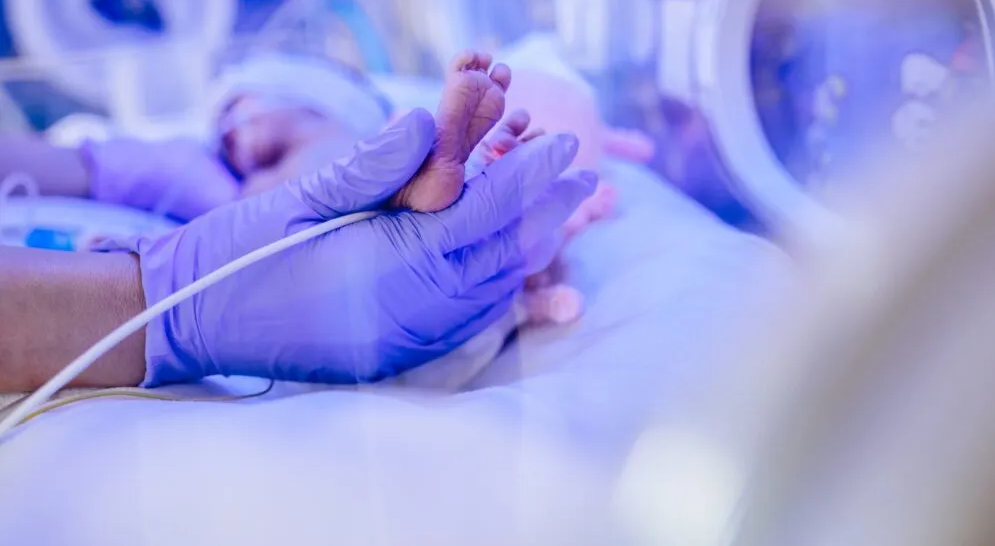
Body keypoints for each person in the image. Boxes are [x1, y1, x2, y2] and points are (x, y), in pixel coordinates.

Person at [0, 53, 599, 392]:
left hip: (357, 197)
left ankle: (456, 180)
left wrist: (83, 166)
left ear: (314, 99)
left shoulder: (331, 135)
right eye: (221, 128)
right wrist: (108, 168)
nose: (229, 129)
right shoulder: (216, 182)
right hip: (336, 276)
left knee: (342, 177)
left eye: (244, 105)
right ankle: (450, 186)